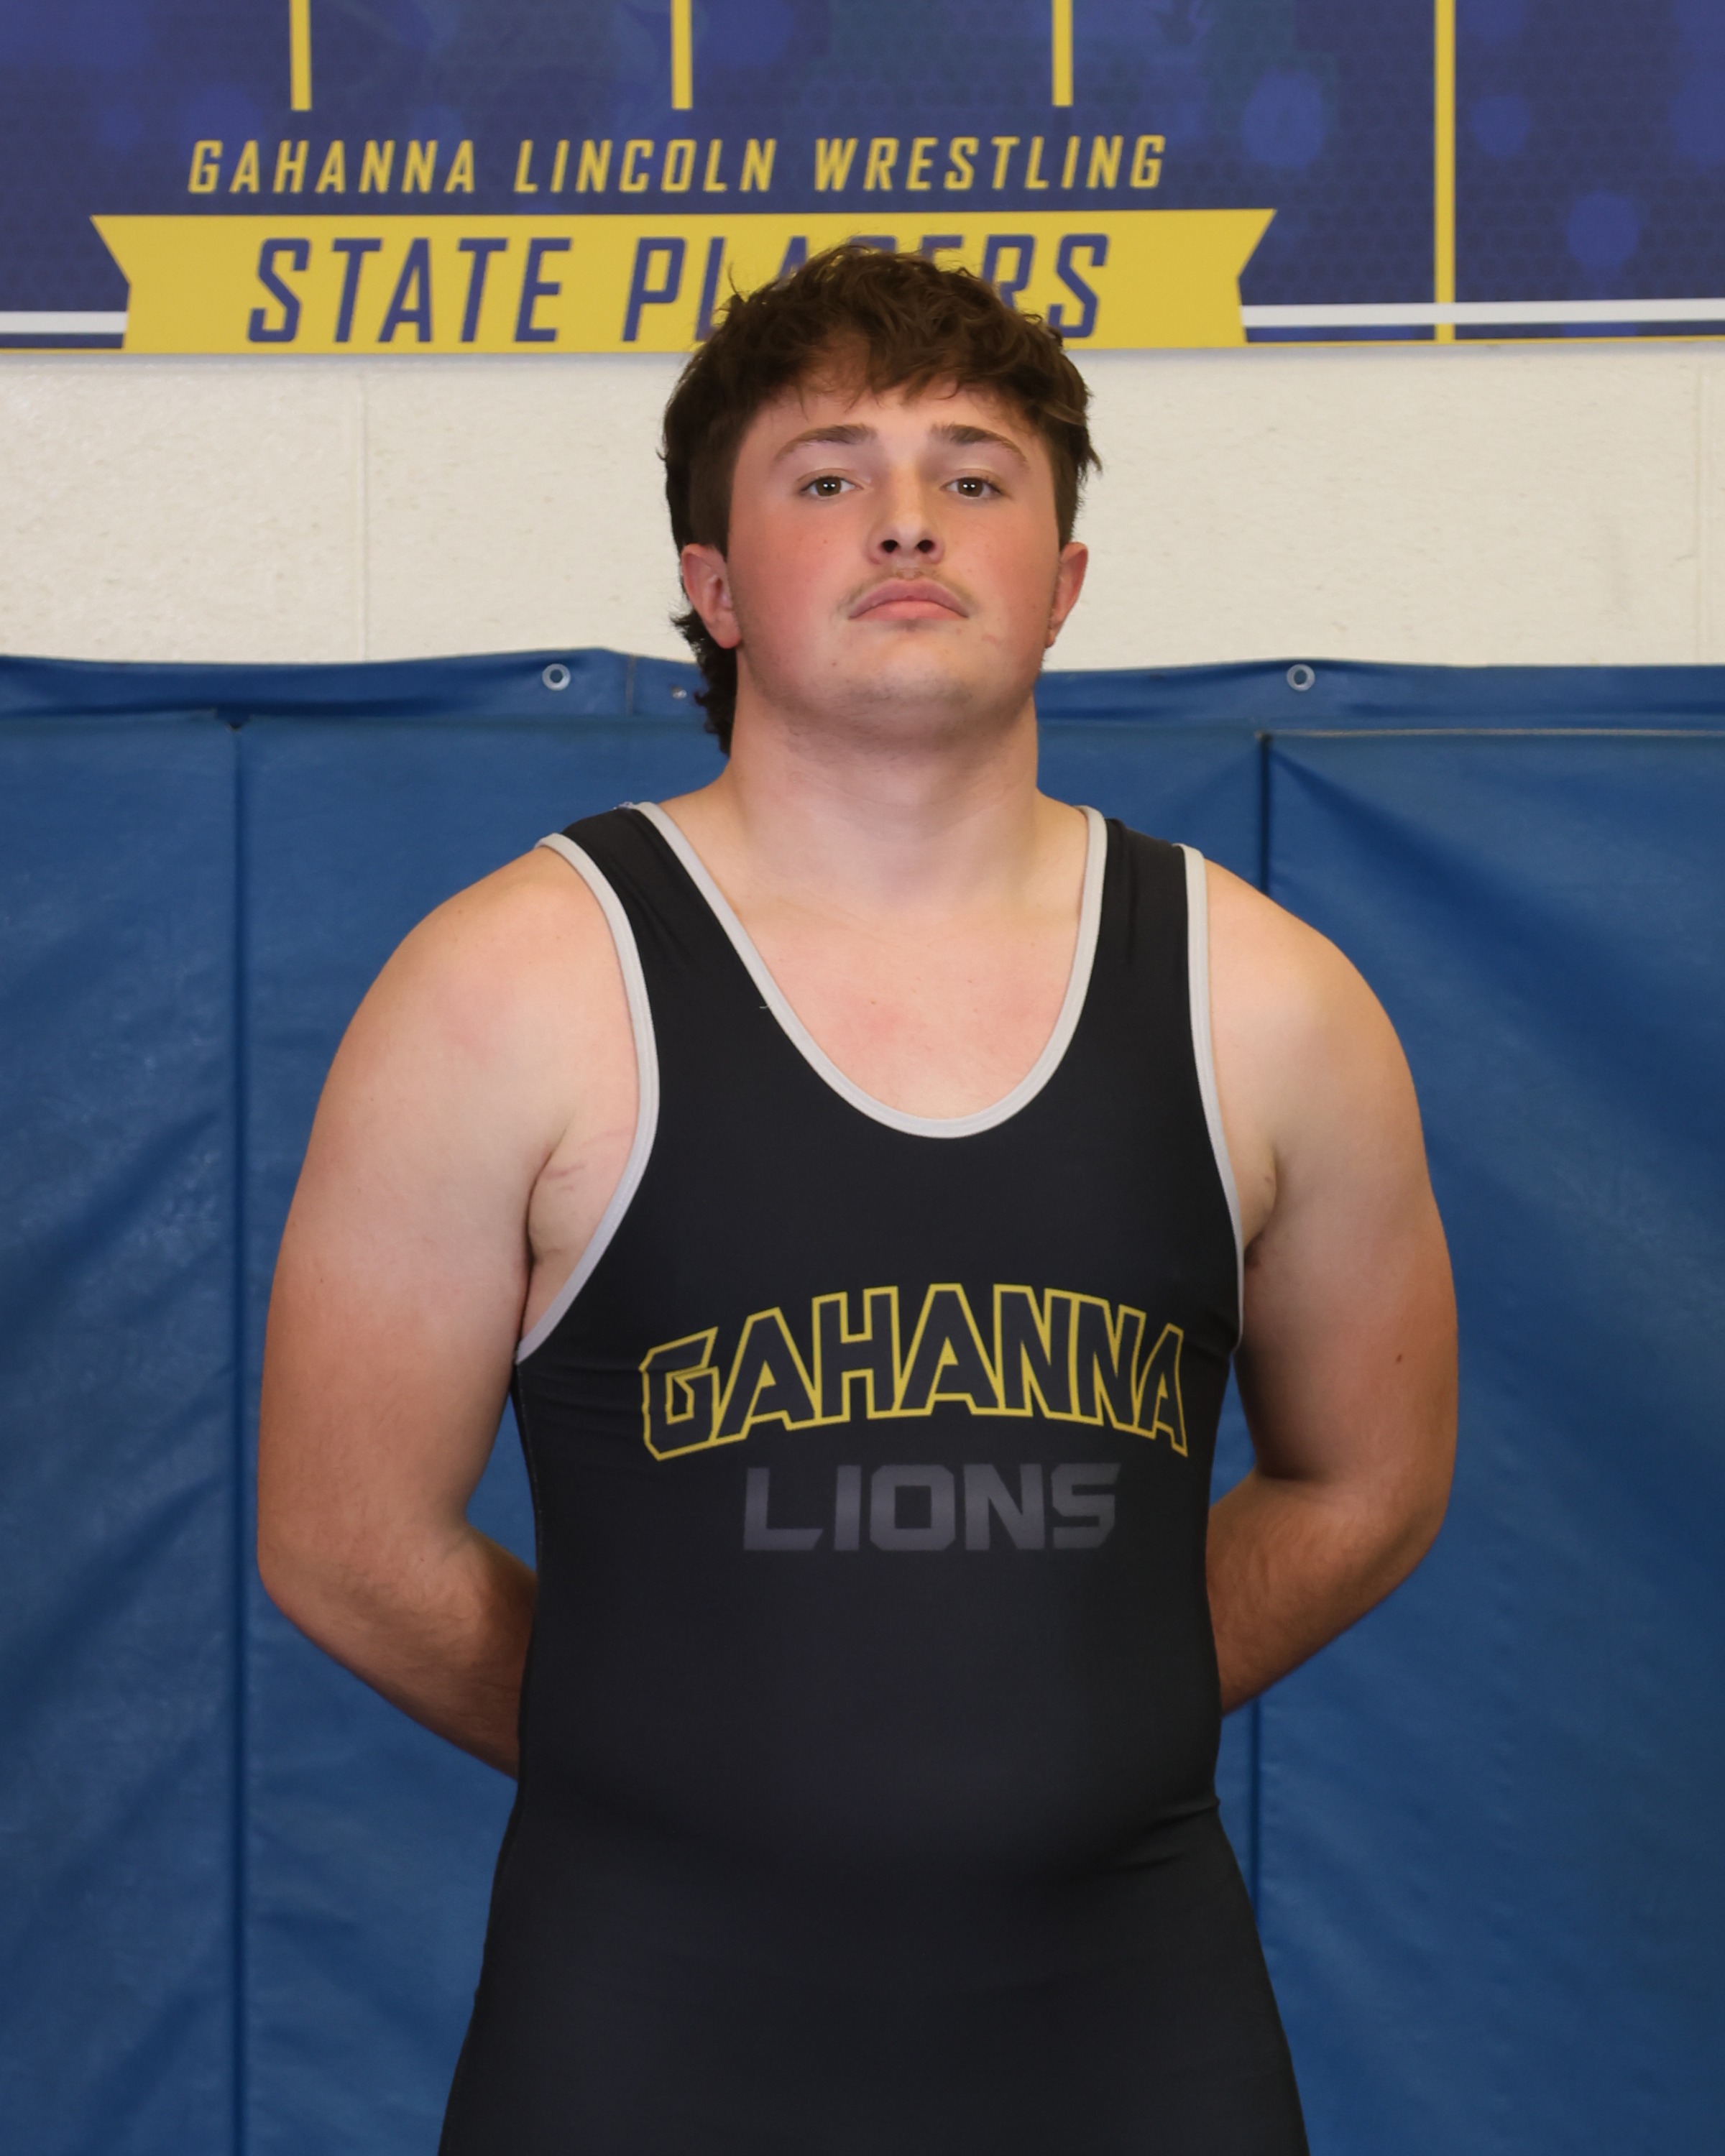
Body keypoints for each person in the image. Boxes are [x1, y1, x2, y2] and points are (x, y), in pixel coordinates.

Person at [258, 245, 1456, 2155]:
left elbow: (1366, 1481)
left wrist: (1085, 1717)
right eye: (828, 475)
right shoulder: (506, 989)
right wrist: (672, 1754)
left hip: (1129, 2032)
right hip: (644, 2027)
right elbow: (340, 1540)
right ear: (716, 587)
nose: (909, 519)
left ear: (1063, 582)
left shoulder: (1274, 1003)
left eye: (975, 474)